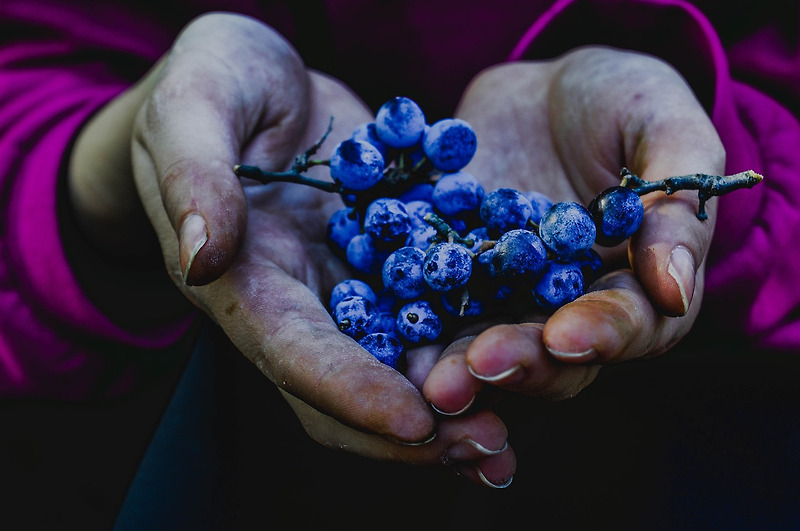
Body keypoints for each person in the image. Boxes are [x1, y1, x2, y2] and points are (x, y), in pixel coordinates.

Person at [2, 0, 799, 527]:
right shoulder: (382, 206)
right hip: (203, 442)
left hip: (708, 443)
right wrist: (108, 165)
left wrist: (727, 167)